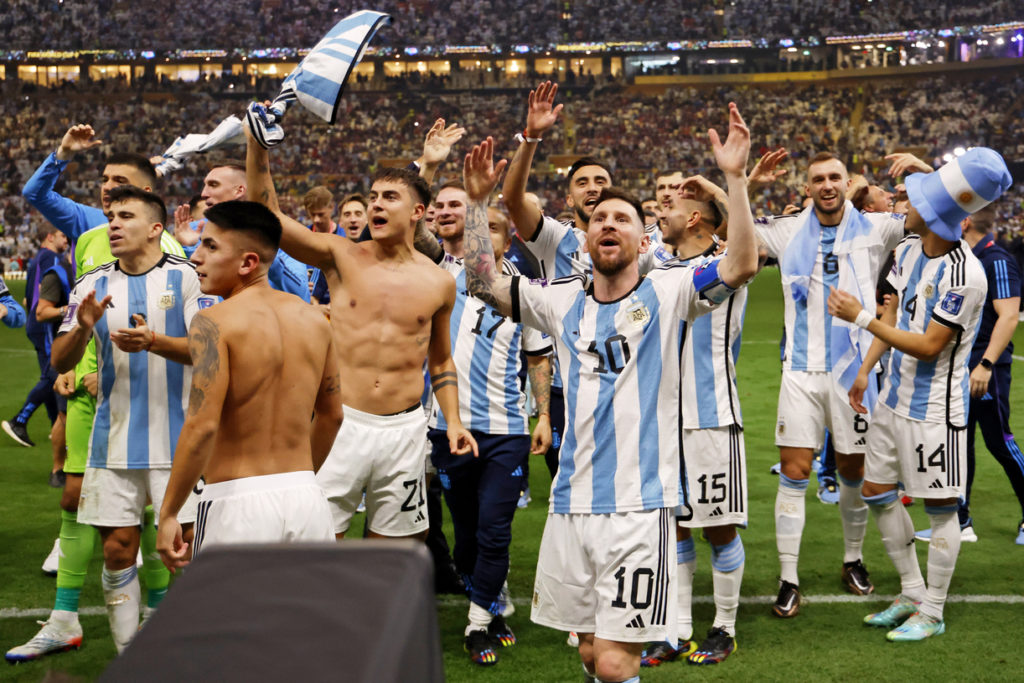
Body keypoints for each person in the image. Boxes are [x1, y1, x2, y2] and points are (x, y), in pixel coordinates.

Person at [460, 102, 757, 683]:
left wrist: (736, 179)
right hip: (570, 503)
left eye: (622, 218)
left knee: (619, 662)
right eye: (599, 218)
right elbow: (482, 280)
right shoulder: (560, 299)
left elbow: (742, 264)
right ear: (587, 233)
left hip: (639, 507)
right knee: (592, 652)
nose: (608, 224)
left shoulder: (670, 290)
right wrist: (475, 205)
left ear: (642, 239)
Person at [245, 125, 477, 543]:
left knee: (395, 555)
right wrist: (257, 148)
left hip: (405, 431)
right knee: (313, 542)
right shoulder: (340, 256)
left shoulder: (439, 282)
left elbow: (441, 360)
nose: (376, 205)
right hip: (340, 422)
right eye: (372, 197)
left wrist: (454, 421)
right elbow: (269, 220)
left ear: (417, 212)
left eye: (389, 197)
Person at [7, 125, 185, 664]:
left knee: (161, 529)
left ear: (151, 210)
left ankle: (161, 627)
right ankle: (72, 623)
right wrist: (79, 353)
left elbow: (209, 350)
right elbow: (36, 195)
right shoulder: (92, 238)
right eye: (105, 184)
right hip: (98, 401)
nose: (108, 195)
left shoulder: (182, 266)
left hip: (167, 416)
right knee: (85, 508)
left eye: (121, 188)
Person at [828, 146, 1011, 640]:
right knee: (876, 491)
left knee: (941, 506)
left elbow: (930, 346)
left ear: (931, 214)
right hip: (892, 398)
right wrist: (866, 369)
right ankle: (911, 590)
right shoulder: (908, 249)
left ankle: (933, 610)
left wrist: (859, 318)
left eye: (912, 200)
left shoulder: (965, 275)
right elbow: (892, 313)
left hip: (934, 412)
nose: (902, 205)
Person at [751, 149, 907, 616]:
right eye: (818, 179)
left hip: (853, 370)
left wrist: (920, 174)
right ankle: (788, 578)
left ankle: (852, 559)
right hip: (800, 370)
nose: (827, 185)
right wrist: (747, 184)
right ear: (807, 187)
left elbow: (933, 217)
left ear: (846, 182)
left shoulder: (876, 227)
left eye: (834, 177)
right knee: (794, 471)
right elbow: (730, 229)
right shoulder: (786, 229)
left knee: (853, 471)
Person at [49, 185, 202, 655]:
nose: (113, 223)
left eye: (126, 216)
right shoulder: (91, 284)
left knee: (188, 548)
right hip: (113, 439)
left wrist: (154, 341)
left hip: (180, 439)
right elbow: (59, 361)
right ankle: (128, 655)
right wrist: (83, 326)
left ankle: (199, 650)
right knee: (117, 550)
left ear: (155, 228)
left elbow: (208, 350)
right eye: (111, 216)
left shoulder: (187, 278)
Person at [157, 200, 341, 570]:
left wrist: (169, 512)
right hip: (307, 498)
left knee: (232, 611)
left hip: (237, 503)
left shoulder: (213, 321)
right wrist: (298, 479)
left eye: (210, 246)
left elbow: (202, 425)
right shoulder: (314, 320)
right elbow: (332, 416)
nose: (196, 257)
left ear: (247, 263)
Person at [426, 183, 553, 666]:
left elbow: (538, 358)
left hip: (506, 430)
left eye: (492, 227)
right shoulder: (445, 273)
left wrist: (543, 416)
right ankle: (491, 605)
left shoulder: (526, 292)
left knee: (495, 530)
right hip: (449, 426)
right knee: (466, 535)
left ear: (507, 239)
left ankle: (479, 623)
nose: (482, 233)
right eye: (477, 226)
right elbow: (414, 233)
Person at [641, 174, 748, 667]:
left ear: (695, 218)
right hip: (664, 419)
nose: (660, 212)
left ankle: (724, 627)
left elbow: (750, 248)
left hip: (711, 416)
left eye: (670, 207)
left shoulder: (726, 262)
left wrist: (729, 182)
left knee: (718, 527)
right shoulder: (658, 267)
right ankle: (678, 628)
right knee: (676, 525)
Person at [914, 203, 1022, 545]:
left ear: (965, 222)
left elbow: (1009, 316)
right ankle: (961, 521)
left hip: (986, 371)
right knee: (960, 443)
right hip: (961, 369)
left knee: (1000, 442)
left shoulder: (996, 259)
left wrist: (986, 365)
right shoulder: (965, 261)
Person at [502, 81, 673, 281]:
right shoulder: (553, 236)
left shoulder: (634, 239)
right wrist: (531, 137)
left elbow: (679, 276)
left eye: (600, 182)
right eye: (582, 183)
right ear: (569, 199)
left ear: (613, 194)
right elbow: (513, 200)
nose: (592, 188)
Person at [173, 161, 310, 302]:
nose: (204, 194)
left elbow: (301, 295)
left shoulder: (278, 234)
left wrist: (265, 251)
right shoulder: (193, 231)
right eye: (205, 185)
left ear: (239, 191)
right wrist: (191, 247)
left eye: (213, 185)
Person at [3, 228, 71, 451]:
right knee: (53, 374)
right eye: (62, 236)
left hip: (35, 321)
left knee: (51, 376)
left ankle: (56, 426)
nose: (66, 240)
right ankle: (20, 420)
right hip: (45, 324)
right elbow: (45, 291)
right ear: (50, 236)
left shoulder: (37, 258)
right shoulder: (52, 258)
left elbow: (27, 296)